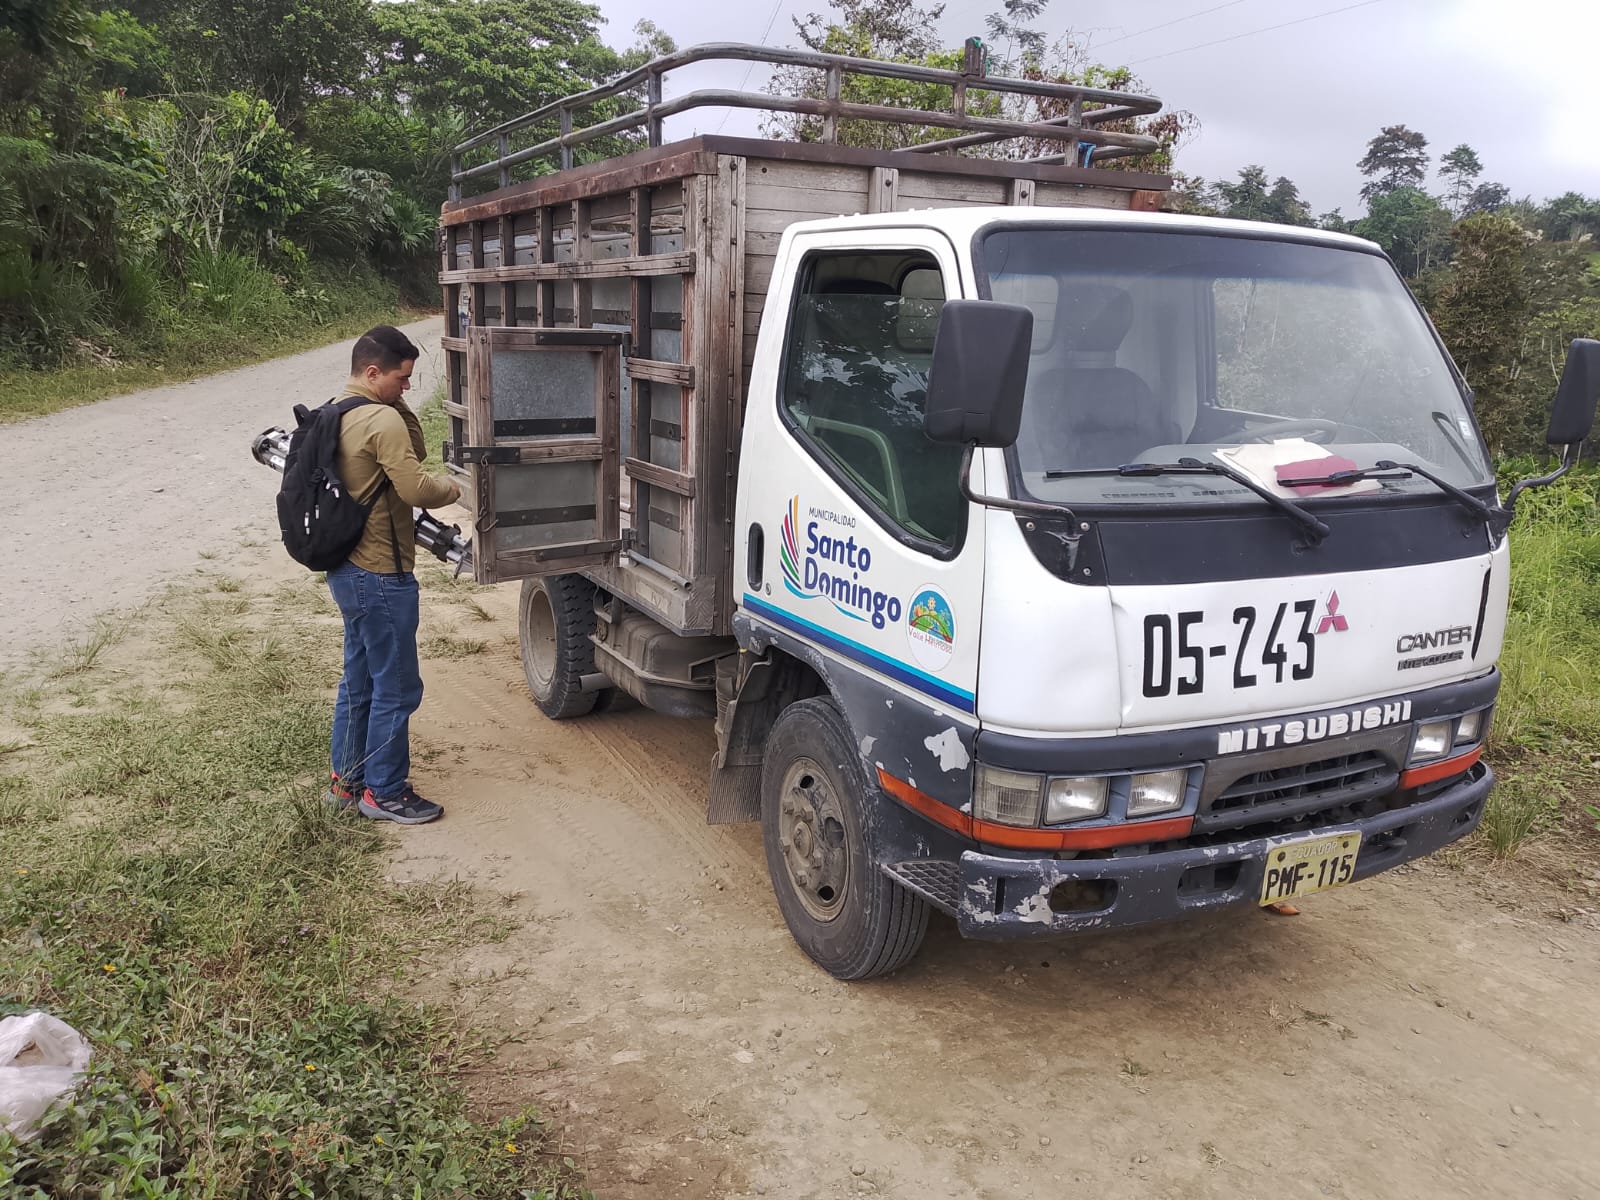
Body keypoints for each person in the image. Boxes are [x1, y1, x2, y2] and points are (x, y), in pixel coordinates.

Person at [325, 325, 461, 824]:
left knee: (359, 680)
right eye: (401, 379)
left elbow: (411, 451)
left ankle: (347, 782)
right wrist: (457, 488)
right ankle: (384, 792)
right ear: (372, 372)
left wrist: (395, 401)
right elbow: (417, 486)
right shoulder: (381, 419)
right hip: (382, 573)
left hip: (347, 569)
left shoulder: (336, 411)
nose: (407, 387)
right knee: (398, 688)